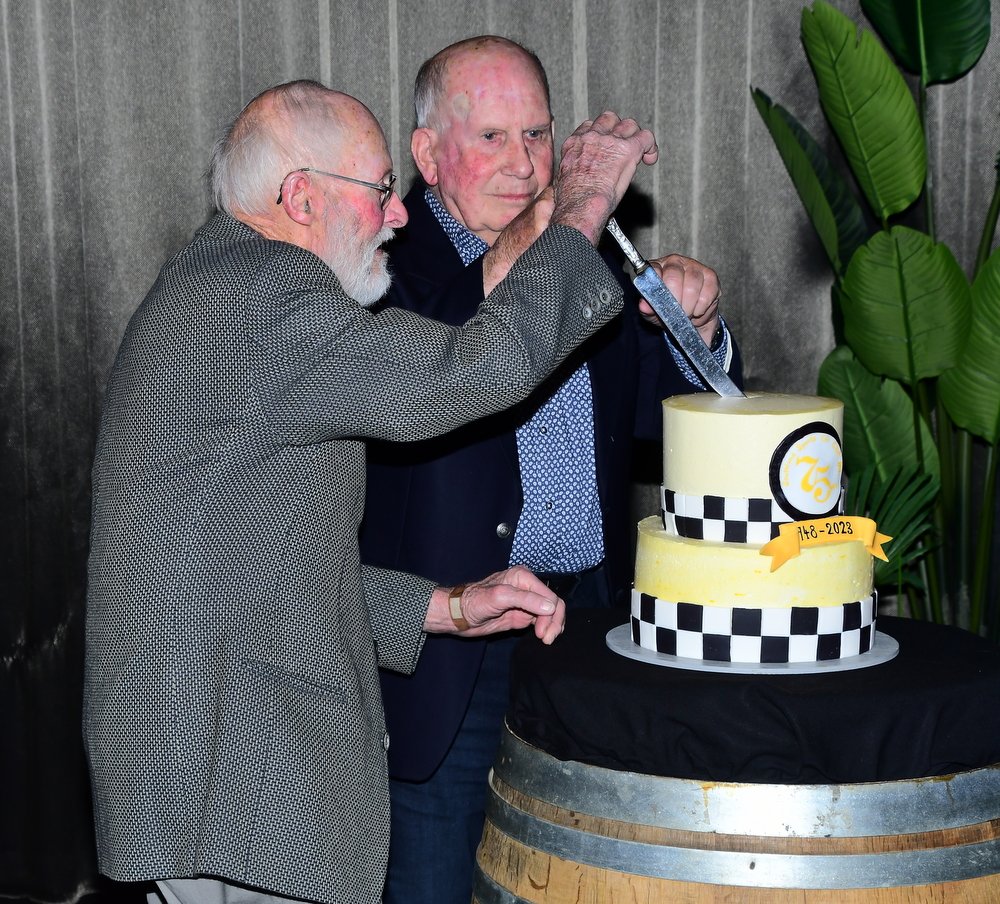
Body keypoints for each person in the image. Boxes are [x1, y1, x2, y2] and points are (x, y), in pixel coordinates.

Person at [83, 79, 663, 904]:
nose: (399, 214)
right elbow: (476, 373)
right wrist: (579, 209)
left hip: (221, 781)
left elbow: (253, 567)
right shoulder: (264, 299)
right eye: (383, 189)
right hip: (233, 780)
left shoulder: (221, 287)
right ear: (300, 197)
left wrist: (449, 607)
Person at [359, 36, 744, 903]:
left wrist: (698, 325)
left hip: (586, 624)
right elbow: (442, 356)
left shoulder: (591, 259)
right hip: (447, 643)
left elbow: (687, 422)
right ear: (426, 154)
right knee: (433, 883)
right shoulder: (383, 267)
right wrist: (563, 228)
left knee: (582, 878)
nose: (523, 162)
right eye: (491, 137)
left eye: (538, 136)